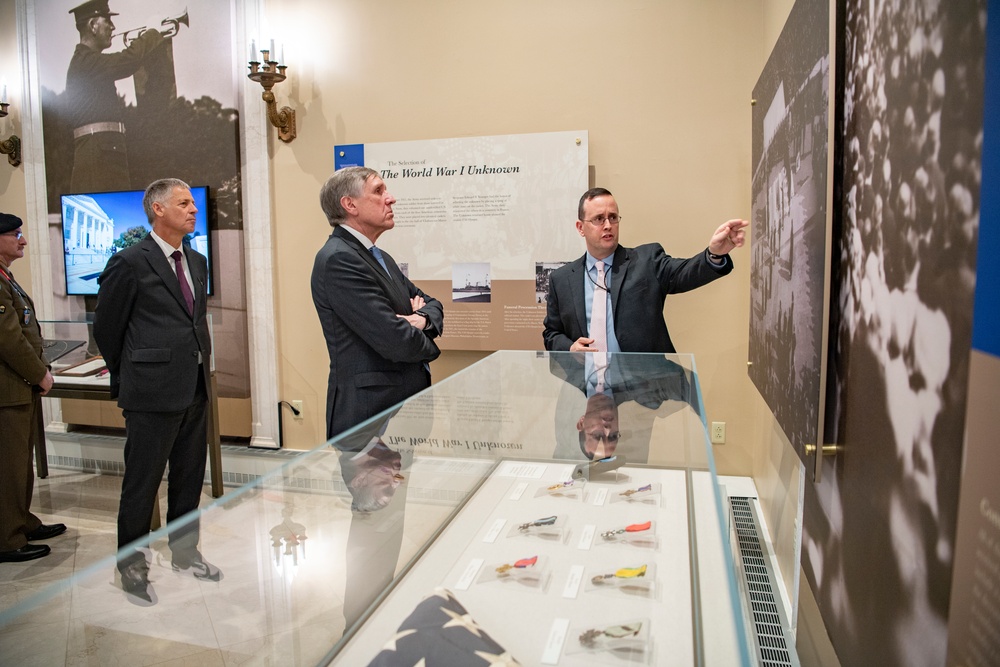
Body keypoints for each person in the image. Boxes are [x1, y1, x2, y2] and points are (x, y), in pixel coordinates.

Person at [93, 178, 219, 604]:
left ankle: (185, 553)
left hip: (195, 387)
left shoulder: (197, 261)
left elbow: (193, 322)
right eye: (184, 203)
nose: (193, 209)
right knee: (142, 484)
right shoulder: (129, 261)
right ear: (158, 209)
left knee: (188, 479)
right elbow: (107, 329)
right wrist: (132, 374)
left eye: (192, 203)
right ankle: (131, 565)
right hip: (150, 393)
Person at [311, 167, 444, 439]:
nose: (390, 198)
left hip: (397, 409)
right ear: (350, 205)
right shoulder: (339, 260)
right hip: (370, 415)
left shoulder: (379, 256)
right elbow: (393, 338)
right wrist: (430, 344)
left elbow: (432, 303)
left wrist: (420, 319)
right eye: (378, 191)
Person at [543, 187, 748, 354]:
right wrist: (570, 347)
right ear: (580, 227)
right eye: (598, 219)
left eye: (613, 217)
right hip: (586, 388)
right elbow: (552, 333)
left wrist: (713, 254)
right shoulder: (561, 279)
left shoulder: (647, 261)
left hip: (644, 390)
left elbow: (684, 273)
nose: (608, 225)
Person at [0, 214, 66, 563]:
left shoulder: (5, 277)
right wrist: (40, 374)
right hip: (6, 392)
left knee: (20, 463)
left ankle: (21, 522)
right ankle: (8, 539)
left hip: (16, 388)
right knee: (8, 466)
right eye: (15, 235)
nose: (22, 241)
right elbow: (9, 339)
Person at [65, 0, 168, 193]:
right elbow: (126, 61)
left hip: (104, 150)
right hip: (98, 154)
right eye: (108, 21)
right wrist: (152, 32)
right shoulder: (85, 61)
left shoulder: (89, 62)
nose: (113, 27)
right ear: (93, 26)